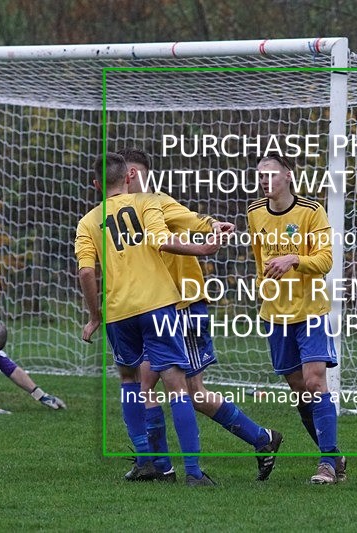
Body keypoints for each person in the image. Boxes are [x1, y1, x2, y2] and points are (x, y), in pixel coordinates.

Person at [119, 148, 283, 482]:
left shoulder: (157, 201)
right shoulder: (120, 211)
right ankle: (157, 463)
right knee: (147, 383)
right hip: (155, 309)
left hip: (184, 305)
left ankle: (257, 440)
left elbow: (191, 219)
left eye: (125, 175)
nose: (121, 182)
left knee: (188, 391)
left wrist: (213, 225)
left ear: (134, 174)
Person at [75, 151, 215, 486]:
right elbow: (162, 239)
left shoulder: (88, 222)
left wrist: (95, 316)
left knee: (129, 382)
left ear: (96, 184)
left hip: (119, 312)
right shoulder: (146, 202)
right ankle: (193, 473)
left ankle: (145, 461)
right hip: (158, 305)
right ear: (129, 177)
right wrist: (202, 249)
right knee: (176, 385)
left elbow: (85, 271)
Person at [247, 154, 345, 484]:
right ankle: (335, 456)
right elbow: (260, 260)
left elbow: (326, 259)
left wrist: (294, 259)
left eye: (271, 174)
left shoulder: (311, 211)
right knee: (299, 389)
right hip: (275, 314)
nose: (265, 181)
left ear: (288, 176)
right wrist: (264, 282)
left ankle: (327, 464)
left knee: (316, 382)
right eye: (261, 175)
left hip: (310, 311)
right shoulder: (254, 212)